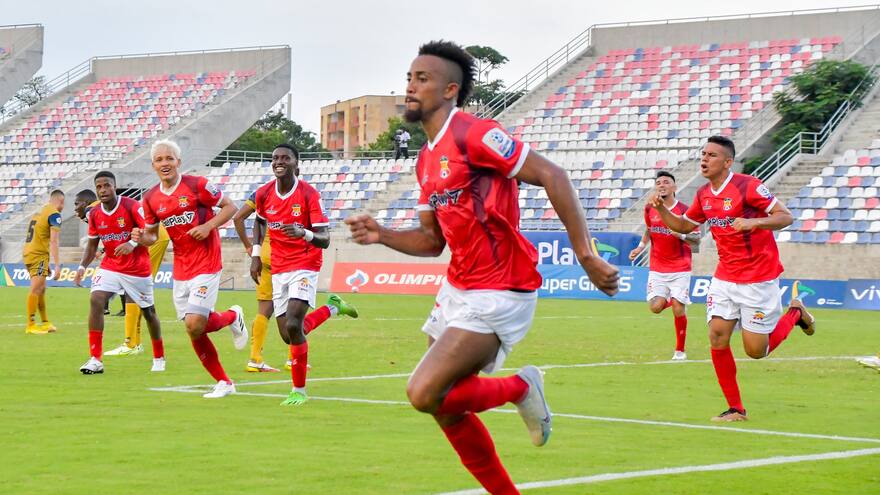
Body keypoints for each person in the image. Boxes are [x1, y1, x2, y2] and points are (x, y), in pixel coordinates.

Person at [345, 41, 619, 494]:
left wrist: (585, 254)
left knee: (423, 393)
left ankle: (520, 388)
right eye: (409, 78)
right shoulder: (426, 159)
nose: (411, 87)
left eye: (422, 79)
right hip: (460, 286)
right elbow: (433, 242)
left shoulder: (475, 133)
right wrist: (383, 235)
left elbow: (555, 175)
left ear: (450, 89)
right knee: (446, 407)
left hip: (502, 287)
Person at [650, 135, 816, 422]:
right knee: (716, 336)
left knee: (756, 352)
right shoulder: (703, 194)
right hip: (725, 277)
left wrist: (754, 221)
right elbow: (685, 225)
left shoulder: (748, 186)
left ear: (727, 162)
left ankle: (795, 313)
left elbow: (784, 216)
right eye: (703, 154)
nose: (704, 159)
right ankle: (736, 408)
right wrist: (662, 210)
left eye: (712, 155)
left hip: (758, 278)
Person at [137, 139, 248, 399]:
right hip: (182, 266)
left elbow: (230, 206)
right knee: (193, 327)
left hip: (207, 261)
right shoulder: (150, 198)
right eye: (159, 160)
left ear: (179, 162)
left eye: (169, 158)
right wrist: (142, 238)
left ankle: (225, 378)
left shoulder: (197, 185)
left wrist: (208, 226)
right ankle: (232, 320)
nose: (165, 163)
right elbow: (152, 236)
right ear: (153, 165)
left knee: (195, 323)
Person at [251, 143, 359, 405]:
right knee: (289, 334)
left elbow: (325, 239)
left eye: (285, 158)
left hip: (305, 262)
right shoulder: (264, 193)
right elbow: (259, 221)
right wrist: (255, 254)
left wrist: (304, 234)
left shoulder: (309, 194)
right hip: (279, 266)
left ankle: (298, 391)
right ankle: (333, 308)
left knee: (292, 324)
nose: (279, 161)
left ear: (296, 164)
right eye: (275, 157)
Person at [74, 172, 165, 374]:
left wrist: (132, 243)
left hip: (137, 268)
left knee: (149, 312)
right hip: (110, 266)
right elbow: (92, 245)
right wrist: (82, 267)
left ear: (114, 187)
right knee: (96, 299)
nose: (103, 189)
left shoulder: (132, 206)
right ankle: (95, 359)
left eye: (107, 185)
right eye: (99, 187)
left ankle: (159, 356)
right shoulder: (96, 214)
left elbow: (150, 235)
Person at [629, 171, 700, 360]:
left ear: (674, 188)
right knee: (655, 307)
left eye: (666, 182)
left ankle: (680, 351)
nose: (661, 185)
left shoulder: (686, 210)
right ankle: (676, 299)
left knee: (678, 308)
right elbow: (649, 229)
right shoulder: (649, 208)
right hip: (658, 268)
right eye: (658, 182)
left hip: (680, 267)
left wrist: (682, 235)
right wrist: (640, 247)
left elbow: (697, 240)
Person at [22, 189, 64, 334]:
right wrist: (57, 265)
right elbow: (54, 241)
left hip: (29, 252)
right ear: (61, 201)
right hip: (38, 254)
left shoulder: (39, 212)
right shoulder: (54, 214)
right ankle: (31, 324)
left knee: (41, 288)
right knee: (36, 288)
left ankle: (45, 322)